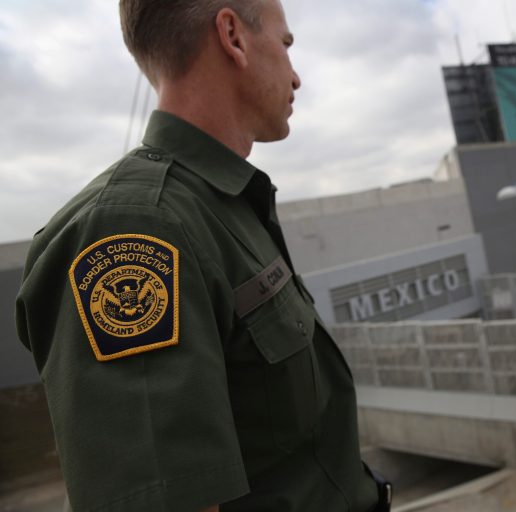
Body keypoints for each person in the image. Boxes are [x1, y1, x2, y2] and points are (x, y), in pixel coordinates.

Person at [15, 1, 391, 510]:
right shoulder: (137, 229)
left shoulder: (219, 206)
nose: (296, 76)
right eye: (285, 45)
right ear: (233, 36)